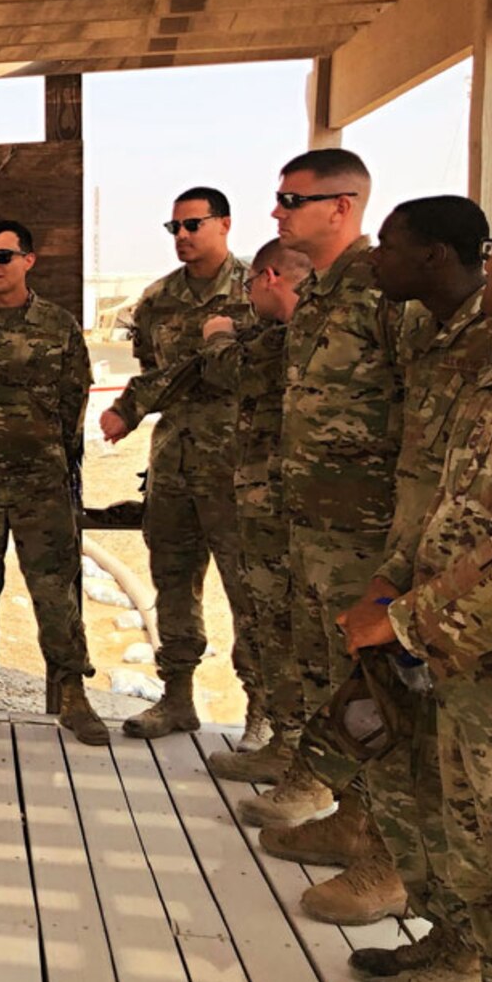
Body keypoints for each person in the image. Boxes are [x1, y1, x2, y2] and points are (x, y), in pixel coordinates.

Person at [309, 200, 491, 982]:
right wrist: (390, 579)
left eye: (391, 246)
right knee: (442, 802)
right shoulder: (449, 343)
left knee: (484, 819)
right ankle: (453, 944)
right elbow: (439, 487)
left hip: (466, 632)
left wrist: (403, 618)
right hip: (424, 606)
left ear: (434, 256)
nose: (375, 260)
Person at [235, 149, 414, 927]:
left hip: (372, 538)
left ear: (341, 206)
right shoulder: (319, 297)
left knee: (382, 698)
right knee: (329, 685)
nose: (275, 213)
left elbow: (425, 414)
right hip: (315, 531)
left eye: (290, 199)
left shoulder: (385, 294)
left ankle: (389, 863)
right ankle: (350, 815)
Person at [101, 187, 258, 741]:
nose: (184, 236)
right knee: (172, 584)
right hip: (174, 467)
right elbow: (151, 374)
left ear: (225, 224)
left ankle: (263, 714)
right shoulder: (157, 300)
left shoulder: (256, 290)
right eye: (175, 228)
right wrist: (128, 408)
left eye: (194, 225)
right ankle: (177, 698)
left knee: (251, 592)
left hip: (240, 472)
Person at [0, 221, 108, 746]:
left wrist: (49, 452)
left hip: (42, 483)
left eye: (5, 255)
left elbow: (73, 401)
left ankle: (72, 694)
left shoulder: (58, 326)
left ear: (29, 260)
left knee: (55, 590)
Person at [200, 239, 311, 785]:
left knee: (299, 633)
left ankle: (303, 761)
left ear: (268, 278)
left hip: (298, 511)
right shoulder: (286, 331)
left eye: (251, 288)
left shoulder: (298, 333)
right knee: (274, 625)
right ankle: (289, 748)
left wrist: (218, 336)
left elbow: (233, 371)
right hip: (271, 505)